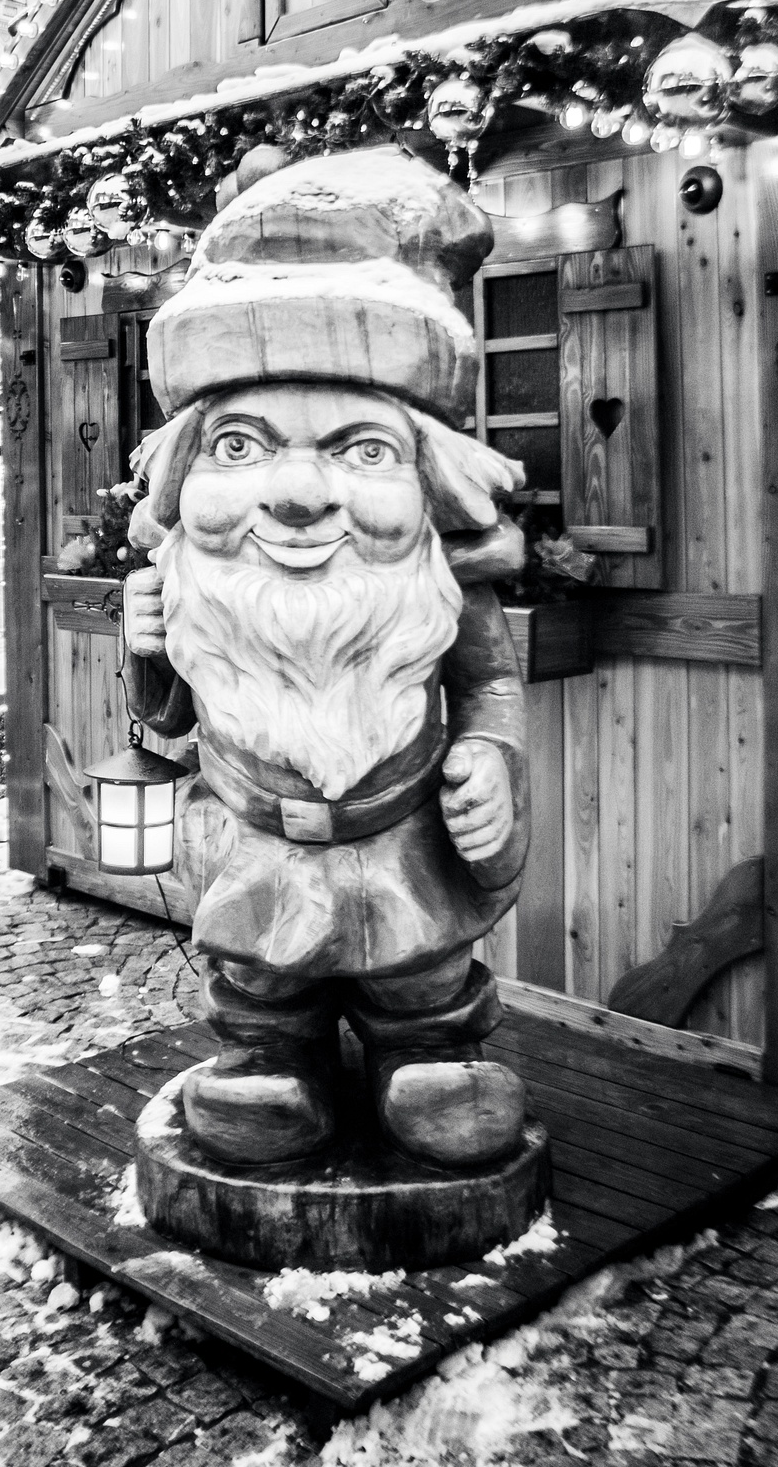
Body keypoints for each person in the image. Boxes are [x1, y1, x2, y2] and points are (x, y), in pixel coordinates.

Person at [123, 151, 531, 1171]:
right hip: (250, 834)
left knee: (423, 976)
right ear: (181, 471)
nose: (298, 495)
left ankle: (429, 1055)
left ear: (433, 480)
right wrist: (149, 655)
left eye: (362, 450)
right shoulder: (189, 584)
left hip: (404, 834)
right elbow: (167, 717)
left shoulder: (439, 583)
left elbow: (489, 683)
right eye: (239, 446)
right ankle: (270, 1060)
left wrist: (492, 756)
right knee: (258, 982)